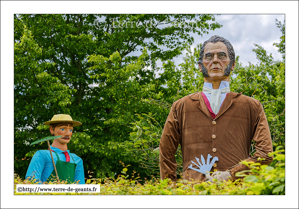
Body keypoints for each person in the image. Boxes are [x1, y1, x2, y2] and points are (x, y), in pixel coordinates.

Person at [159, 35, 273, 182]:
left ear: (232, 65)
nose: (215, 60)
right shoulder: (181, 106)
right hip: (192, 193)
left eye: (221, 56)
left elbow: (265, 154)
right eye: (209, 56)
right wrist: (170, 190)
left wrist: (232, 174)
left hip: (236, 193)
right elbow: (166, 153)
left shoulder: (252, 106)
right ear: (200, 65)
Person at [25, 114, 85, 184]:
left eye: (71, 129)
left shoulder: (77, 160)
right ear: (52, 130)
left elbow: (81, 188)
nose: (68, 133)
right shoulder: (42, 155)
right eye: (62, 129)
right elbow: (31, 182)